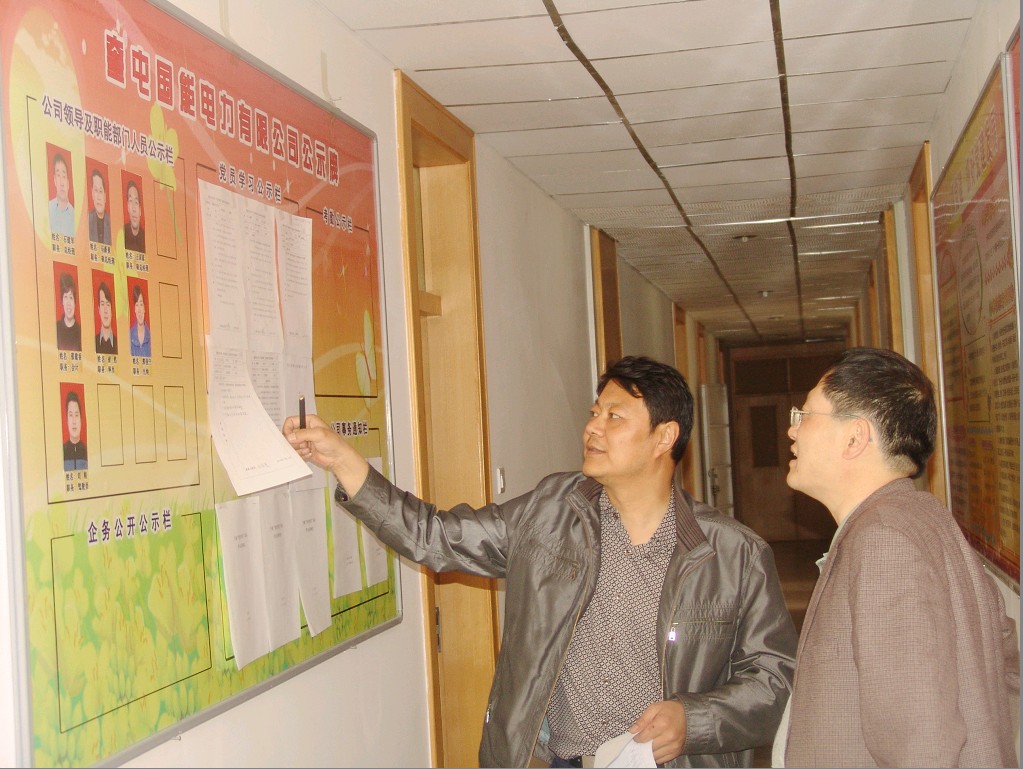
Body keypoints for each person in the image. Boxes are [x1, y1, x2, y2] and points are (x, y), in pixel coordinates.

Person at [285, 355, 797, 768]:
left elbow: (774, 681)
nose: (592, 428)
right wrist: (343, 459)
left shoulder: (734, 554)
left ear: (664, 437)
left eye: (615, 416)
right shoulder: (550, 513)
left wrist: (694, 719)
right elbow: (434, 537)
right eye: (594, 413)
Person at [775, 347, 1019, 768]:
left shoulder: (885, 542)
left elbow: (922, 747)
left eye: (805, 415)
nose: (792, 431)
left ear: (855, 437)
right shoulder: (922, 518)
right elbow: (1008, 667)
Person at [48, 151, 75, 238]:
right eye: (58, 175)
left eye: (64, 176)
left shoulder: (74, 214)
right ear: (55, 180)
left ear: (68, 183)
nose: (62, 183)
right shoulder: (48, 208)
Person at [55, 271, 81, 352]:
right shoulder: (56, 328)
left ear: (75, 302)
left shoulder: (80, 331)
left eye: (71, 297)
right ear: (62, 301)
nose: (68, 303)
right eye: (65, 297)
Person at [62, 389, 87, 471]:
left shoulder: (87, 451)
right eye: (70, 415)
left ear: (81, 419)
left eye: (76, 415)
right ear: (67, 420)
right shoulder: (62, 451)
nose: (74, 421)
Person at [88, 169, 111, 245]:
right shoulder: (87, 220)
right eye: (96, 190)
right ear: (92, 194)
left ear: (105, 196)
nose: (98, 197)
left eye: (100, 191)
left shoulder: (111, 223)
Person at [94, 280, 117, 355]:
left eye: (108, 304)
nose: (106, 310)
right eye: (102, 304)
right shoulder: (93, 342)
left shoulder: (118, 344)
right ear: (99, 309)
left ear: (112, 310)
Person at [129, 284, 151, 357]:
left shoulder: (151, 335)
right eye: (136, 305)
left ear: (144, 308)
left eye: (141, 304)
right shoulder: (129, 335)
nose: (139, 310)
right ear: (134, 309)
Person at [123, 179, 145, 251]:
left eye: (136, 202)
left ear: (140, 210)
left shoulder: (145, 237)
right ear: (128, 207)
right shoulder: (123, 234)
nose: (134, 209)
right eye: (130, 201)